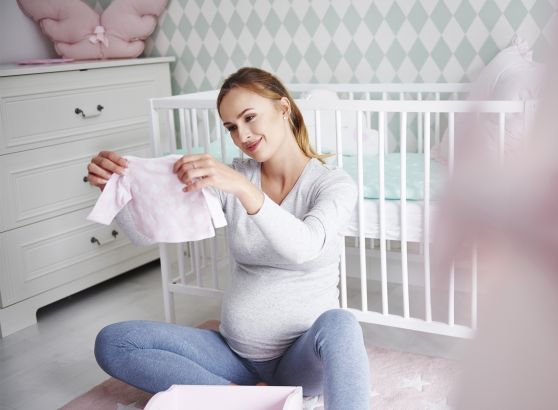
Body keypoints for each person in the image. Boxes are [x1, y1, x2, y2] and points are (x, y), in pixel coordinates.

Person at [88, 67, 370, 410]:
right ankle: (246, 400)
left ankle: (242, 398)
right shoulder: (235, 178)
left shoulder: (333, 184)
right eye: (231, 127)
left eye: (250, 118)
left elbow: (304, 246)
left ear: (283, 108)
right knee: (114, 342)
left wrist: (244, 189)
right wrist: (115, 189)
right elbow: (143, 235)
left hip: (301, 362)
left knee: (341, 324)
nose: (242, 135)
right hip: (235, 355)